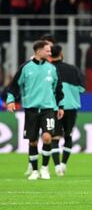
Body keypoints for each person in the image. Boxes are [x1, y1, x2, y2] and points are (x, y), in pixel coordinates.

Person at [5, 40, 64, 180]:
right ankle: (35, 170)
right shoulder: (26, 68)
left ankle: (44, 168)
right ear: (38, 51)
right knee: (32, 141)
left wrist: (60, 106)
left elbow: (58, 89)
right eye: (47, 50)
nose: (50, 53)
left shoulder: (52, 68)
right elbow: (13, 86)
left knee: (47, 137)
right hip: (31, 109)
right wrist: (10, 101)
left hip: (48, 108)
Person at [50, 44, 85, 176]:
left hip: (53, 107)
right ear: (61, 53)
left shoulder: (48, 69)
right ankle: (63, 164)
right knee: (68, 135)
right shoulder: (73, 69)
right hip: (71, 106)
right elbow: (82, 89)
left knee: (54, 137)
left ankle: (57, 166)